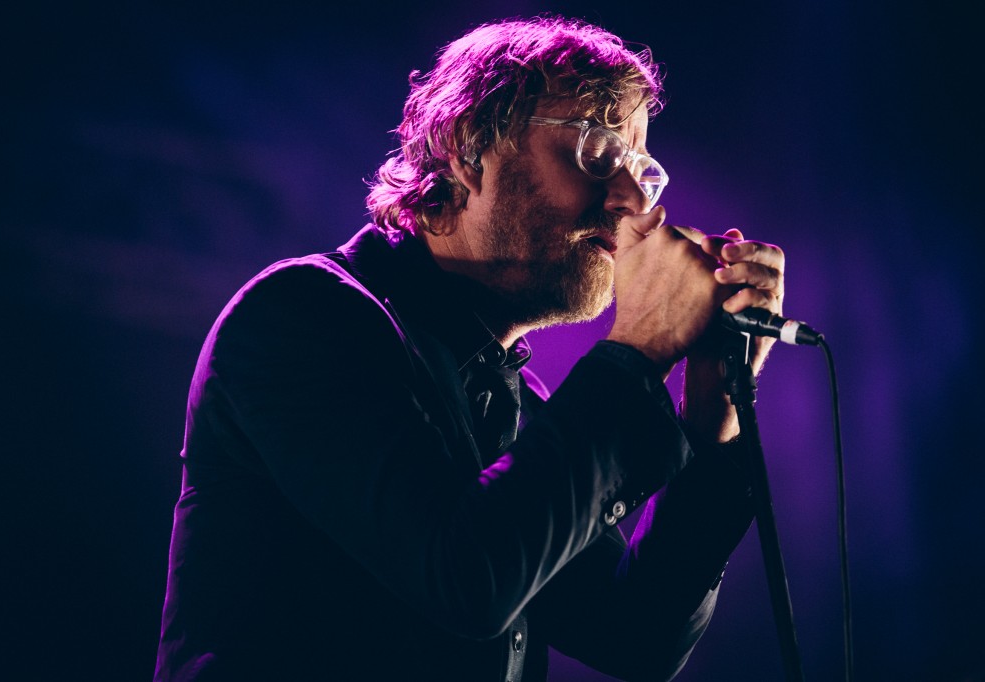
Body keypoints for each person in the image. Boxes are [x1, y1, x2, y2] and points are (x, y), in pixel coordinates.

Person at [154, 15, 785, 682]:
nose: (632, 201)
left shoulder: (522, 408)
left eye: (641, 169)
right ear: (467, 144)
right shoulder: (300, 315)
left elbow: (635, 637)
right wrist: (641, 350)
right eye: (598, 152)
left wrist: (713, 419)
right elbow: (464, 580)